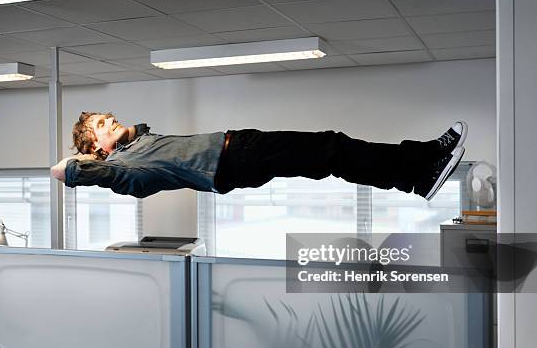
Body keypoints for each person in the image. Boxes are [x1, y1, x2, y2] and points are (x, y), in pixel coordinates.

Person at [50, 111, 467, 201]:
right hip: (235, 160)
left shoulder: (139, 145)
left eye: (108, 117)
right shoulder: (125, 171)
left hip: (240, 148)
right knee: (332, 147)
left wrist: (114, 138)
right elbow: (65, 171)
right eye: (101, 126)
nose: (111, 121)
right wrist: (82, 165)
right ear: (95, 150)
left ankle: (418, 174)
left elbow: (134, 133)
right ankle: (422, 164)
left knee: (330, 155)